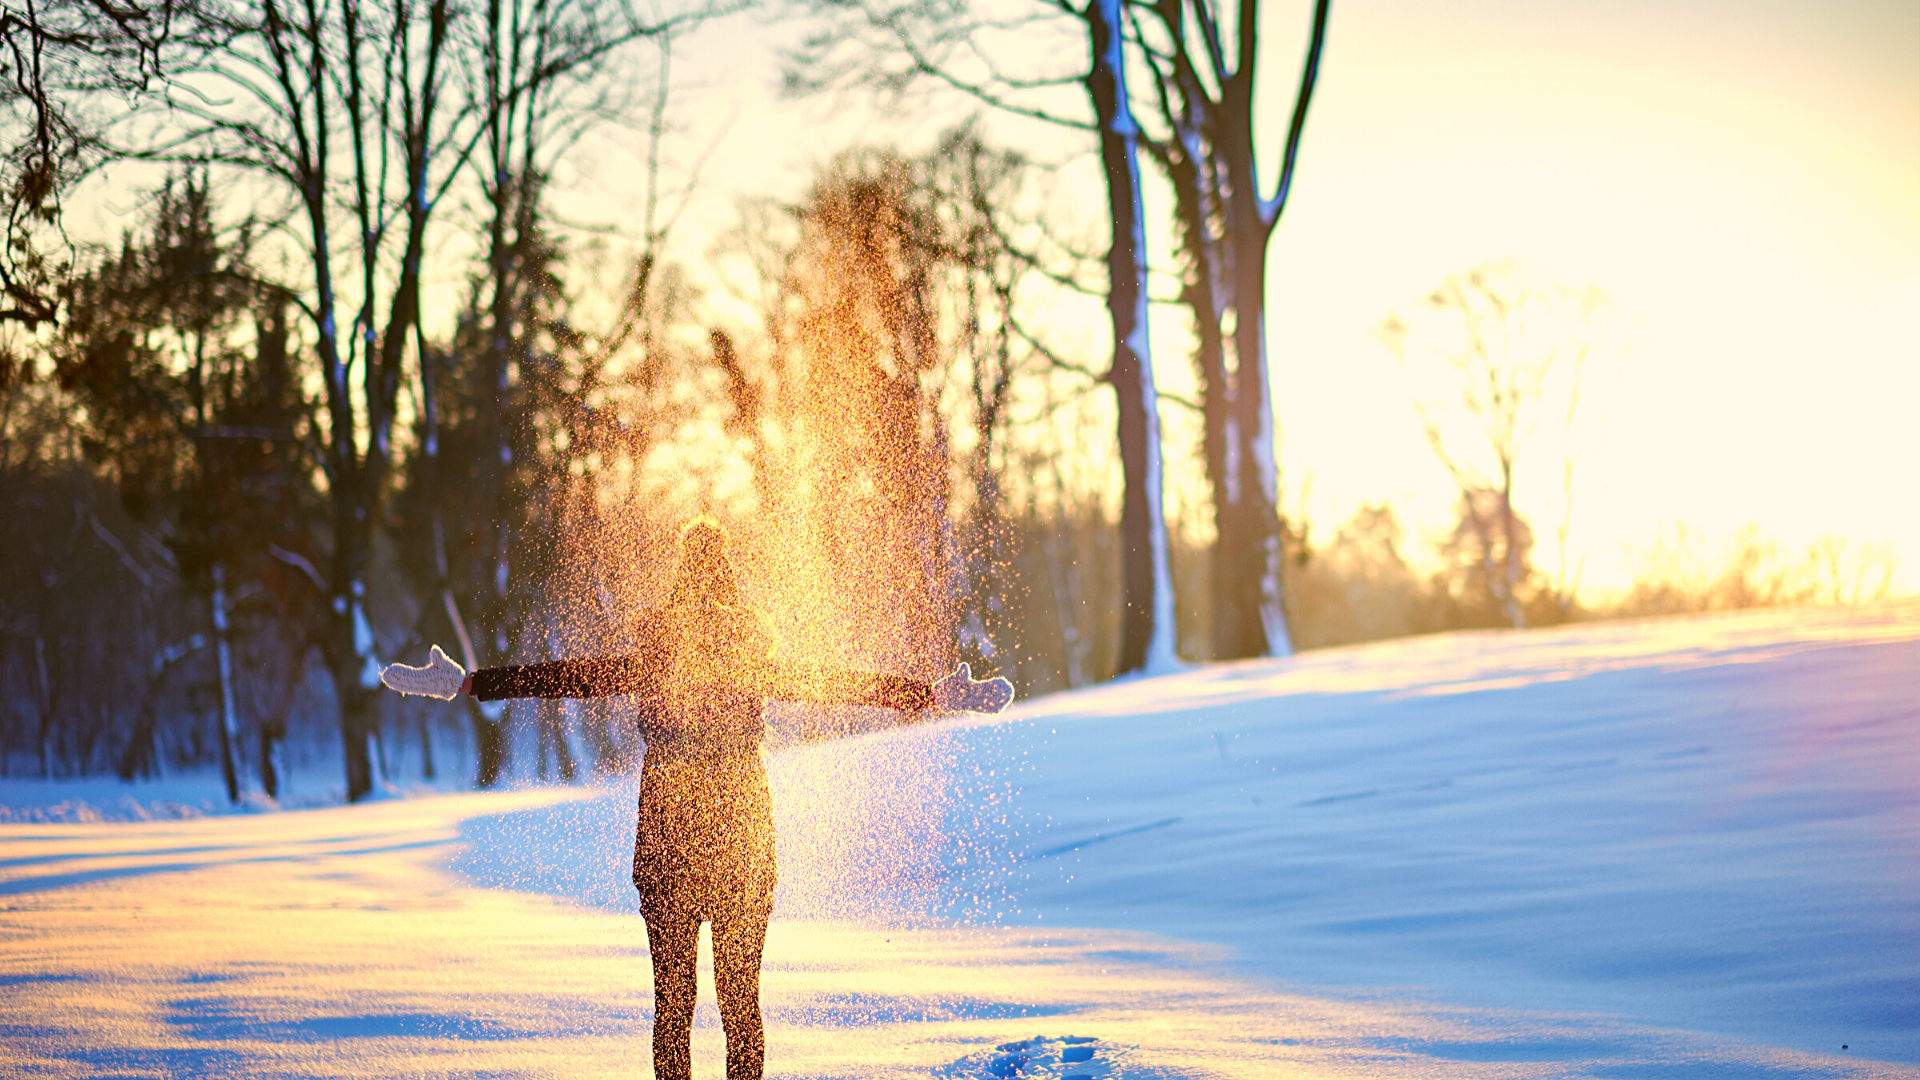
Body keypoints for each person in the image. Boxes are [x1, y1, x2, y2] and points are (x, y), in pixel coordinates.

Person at [379, 517, 1011, 1080]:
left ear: (681, 580)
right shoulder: (750, 654)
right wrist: (931, 695)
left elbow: (565, 678)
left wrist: (468, 684)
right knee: (741, 1003)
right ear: (730, 582)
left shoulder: (656, 655)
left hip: (667, 835)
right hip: (741, 831)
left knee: (673, 1004)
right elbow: (841, 685)